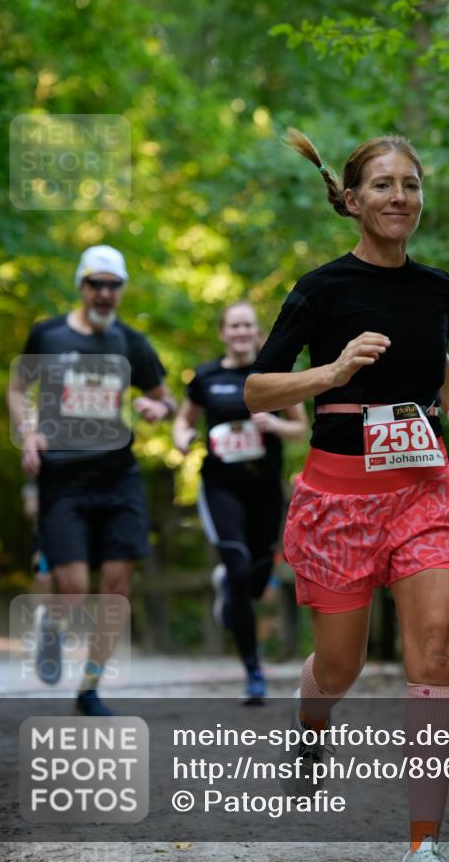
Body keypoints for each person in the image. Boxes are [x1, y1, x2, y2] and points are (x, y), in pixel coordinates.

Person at [245, 130, 449, 860]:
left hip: (423, 491)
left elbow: (436, 352)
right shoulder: (321, 289)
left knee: (433, 652)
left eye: (411, 184)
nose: (400, 197)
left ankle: (424, 842)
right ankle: (311, 721)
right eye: (383, 185)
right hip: (337, 499)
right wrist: (331, 373)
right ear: (352, 201)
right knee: (339, 667)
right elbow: (257, 387)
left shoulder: (437, 286)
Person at [8, 245, 177, 715]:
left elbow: (167, 400)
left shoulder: (131, 342)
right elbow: (18, 389)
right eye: (95, 284)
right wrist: (27, 433)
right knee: (75, 586)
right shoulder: (48, 335)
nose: (104, 293)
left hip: (118, 478)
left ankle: (89, 688)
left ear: (121, 290)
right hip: (62, 478)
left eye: (113, 285)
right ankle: (53, 628)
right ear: (81, 287)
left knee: (118, 586)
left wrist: (156, 408)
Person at [173, 301, 307, 703]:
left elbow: (300, 429)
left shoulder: (273, 375)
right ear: (223, 332)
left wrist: (275, 424)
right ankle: (253, 671)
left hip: (265, 490)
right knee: (236, 563)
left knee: (255, 578)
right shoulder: (207, 376)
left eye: (247, 325)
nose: (241, 332)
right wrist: (182, 439)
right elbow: (185, 419)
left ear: (257, 331)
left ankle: (231, 596)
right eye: (233, 326)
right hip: (221, 486)